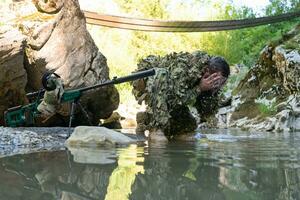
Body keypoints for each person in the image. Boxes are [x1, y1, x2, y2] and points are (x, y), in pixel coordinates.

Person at [132, 51, 230, 139]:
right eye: (217, 80)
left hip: (171, 97)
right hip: (150, 82)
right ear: (208, 71)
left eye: (222, 82)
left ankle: (146, 119)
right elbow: (175, 100)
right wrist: (199, 88)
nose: (219, 84)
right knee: (159, 139)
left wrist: (211, 93)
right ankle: (152, 123)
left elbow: (206, 113)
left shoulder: (210, 82)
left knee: (188, 129)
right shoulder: (184, 68)